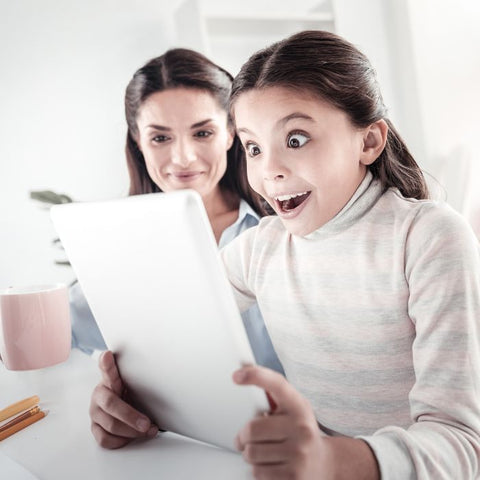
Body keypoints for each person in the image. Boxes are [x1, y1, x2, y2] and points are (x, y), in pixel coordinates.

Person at [90, 31, 480, 479]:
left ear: (369, 142)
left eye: (296, 139)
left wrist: (329, 459)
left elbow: (462, 444)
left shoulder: (428, 237)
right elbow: (167, 332)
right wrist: (127, 399)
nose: (268, 170)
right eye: (254, 147)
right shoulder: (262, 248)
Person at [70, 49, 283, 367]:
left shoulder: (281, 230)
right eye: (160, 138)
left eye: (202, 133)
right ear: (138, 141)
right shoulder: (121, 250)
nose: (183, 157)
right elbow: (54, 327)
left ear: (230, 132)